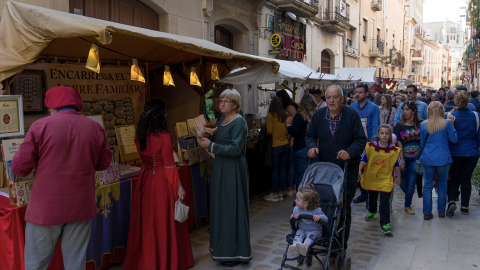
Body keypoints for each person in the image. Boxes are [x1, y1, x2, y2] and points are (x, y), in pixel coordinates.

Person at [11, 86, 112, 269]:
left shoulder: (40, 126)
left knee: (36, 264)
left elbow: (19, 168)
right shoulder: (95, 128)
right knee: (76, 263)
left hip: (46, 208)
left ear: (52, 105)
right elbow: (104, 163)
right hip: (81, 206)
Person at [124, 99, 194, 269]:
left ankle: (147, 259)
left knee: (148, 222)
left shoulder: (140, 135)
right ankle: (164, 260)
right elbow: (170, 166)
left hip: (146, 179)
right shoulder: (164, 136)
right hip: (162, 181)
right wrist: (179, 188)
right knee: (163, 222)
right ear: (160, 114)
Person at [305, 85, 366, 250]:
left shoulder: (351, 115)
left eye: (335, 97)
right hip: (325, 170)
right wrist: (311, 147)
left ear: (342, 98)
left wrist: (349, 152)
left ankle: (340, 245)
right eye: (328, 97)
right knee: (324, 204)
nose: (331, 101)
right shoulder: (319, 115)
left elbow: (361, 140)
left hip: (347, 169)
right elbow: (310, 136)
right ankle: (322, 238)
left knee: (343, 206)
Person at [198, 89, 252, 267]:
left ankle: (234, 253)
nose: (221, 103)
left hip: (233, 170)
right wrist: (210, 135)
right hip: (221, 167)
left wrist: (211, 145)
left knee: (231, 208)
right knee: (221, 208)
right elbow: (222, 137)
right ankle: (222, 250)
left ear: (235, 105)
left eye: (226, 101)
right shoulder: (221, 120)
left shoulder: (239, 122)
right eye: (220, 100)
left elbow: (236, 150)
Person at [359, 125, 402, 235]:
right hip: (372, 177)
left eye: (386, 133)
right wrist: (359, 170)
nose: (384, 135)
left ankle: (385, 224)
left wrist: (399, 176)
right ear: (378, 134)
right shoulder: (370, 147)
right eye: (382, 133)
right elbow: (364, 159)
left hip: (385, 179)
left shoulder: (393, 150)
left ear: (390, 136)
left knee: (384, 202)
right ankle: (372, 211)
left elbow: (396, 164)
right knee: (372, 197)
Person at [420, 101, 458, 220]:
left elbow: (422, 144)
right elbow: (454, 140)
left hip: (428, 158)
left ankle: (427, 213)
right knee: (442, 185)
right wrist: (453, 126)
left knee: (427, 186)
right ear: (441, 110)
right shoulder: (446, 124)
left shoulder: (423, 125)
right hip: (443, 158)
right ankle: (441, 211)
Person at [446, 91, 480, 216]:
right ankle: (465, 206)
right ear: (468, 102)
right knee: (466, 179)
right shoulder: (476, 116)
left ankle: (451, 201)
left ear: (455, 101)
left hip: (454, 151)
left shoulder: (450, 116)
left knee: (453, 178)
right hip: (472, 152)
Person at [350, 84, 380, 204]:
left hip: (368, 143)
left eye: (360, 92)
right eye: (356, 92)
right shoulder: (352, 106)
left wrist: (372, 145)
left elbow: (375, 126)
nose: (357, 94)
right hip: (355, 143)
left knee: (369, 170)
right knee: (358, 169)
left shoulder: (373, 108)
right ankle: (363, 194)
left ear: (367, 94)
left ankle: (369, 196)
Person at [393, 101, 423, 215]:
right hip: (403, 157)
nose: (404, 112)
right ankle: (409, 195)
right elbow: (398, 143)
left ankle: (407, 204)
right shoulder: (399, 125)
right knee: (401, 181)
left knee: (411, 181)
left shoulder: (420, 124)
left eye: (407, 109)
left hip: (416, 158)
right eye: (403, 109)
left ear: (413, 111)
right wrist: (402, 159)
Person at [288, 184, 328, 257]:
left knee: (310, 235)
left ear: (305, 203)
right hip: (302, 229)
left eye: (297, 199)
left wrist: (319, 217)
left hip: (315, 231)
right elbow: (292, 220)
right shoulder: (297, 209)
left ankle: (305, 247)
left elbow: (326, 219)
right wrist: (294, 217)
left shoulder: (317, 210)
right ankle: (295, 246)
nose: (295, 200)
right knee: (299, 233)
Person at [263, 97, 290, 202]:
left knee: (275, 169)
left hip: (276, 145)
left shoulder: (271, 115)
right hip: (285, 145)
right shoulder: (285, 115)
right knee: (283, 169)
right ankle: (281, 193)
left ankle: (275, 194)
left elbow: (269, 131)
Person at [287, 94, 317, 190]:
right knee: (312, 179)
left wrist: (288, 125)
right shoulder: (316, 116)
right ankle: (310, 200)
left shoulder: (299, 116)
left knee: (301, 179)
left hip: (301, 149)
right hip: (314, 149)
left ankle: (301, 202)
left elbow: (295, 132)